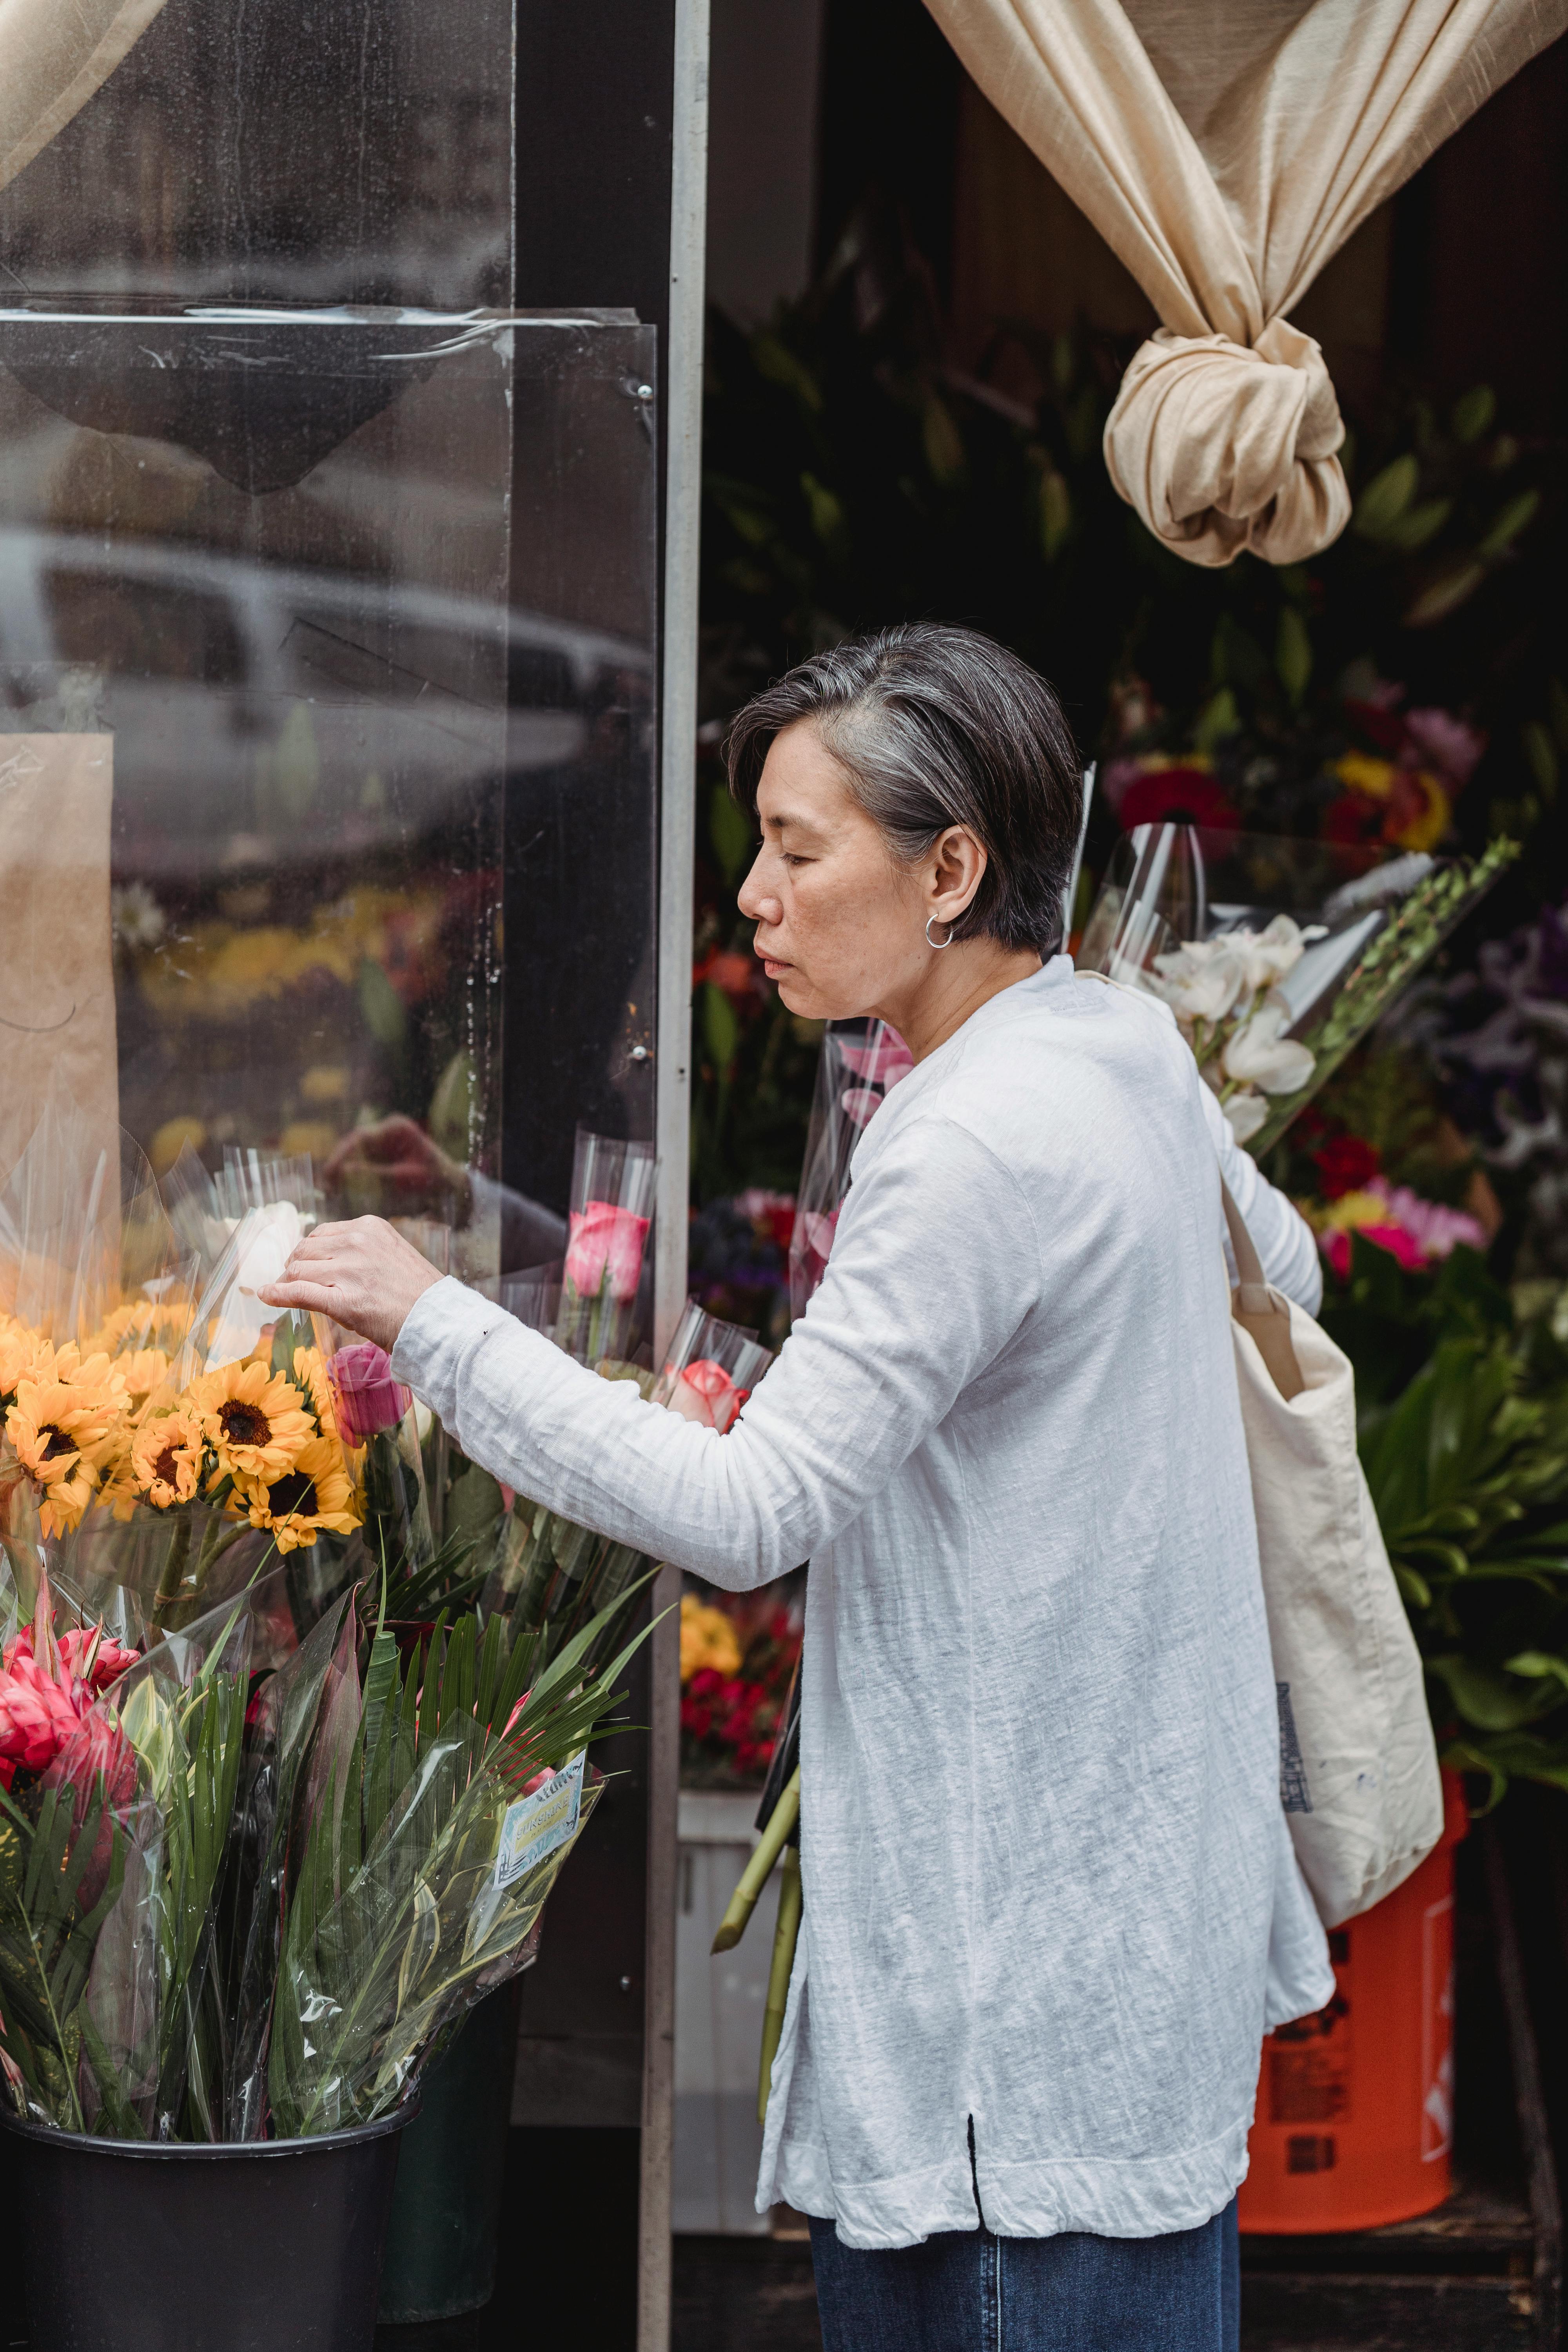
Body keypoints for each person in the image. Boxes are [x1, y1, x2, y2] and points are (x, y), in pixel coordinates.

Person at [262, 624, 1333, 2352]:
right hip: (1121, 1962)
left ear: (952, 869)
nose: (752, 893)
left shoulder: (973, 1140)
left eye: (798, 846)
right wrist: (516, 1242)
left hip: (1010, 2042)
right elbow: (1271, 1269)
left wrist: (432, 1320)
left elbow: (757, 1509)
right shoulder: (1115, 1051)